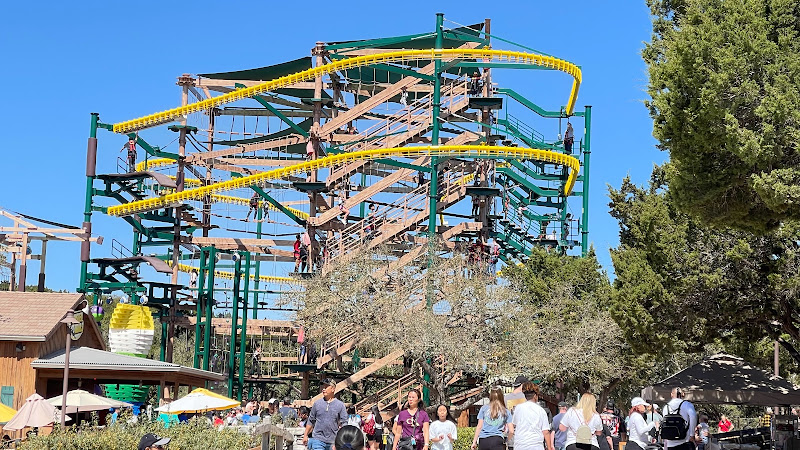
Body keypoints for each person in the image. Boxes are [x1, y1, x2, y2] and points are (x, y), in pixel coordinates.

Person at [304, 378, 348, 450]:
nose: (323, 389)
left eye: (326, 387)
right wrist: (305, 435)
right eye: (323, 387)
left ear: (333, 389)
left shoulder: (340, 405)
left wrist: (342, 440)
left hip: (333, 441)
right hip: (318, 439)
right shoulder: (317, 404)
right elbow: (311, 420)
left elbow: (344, 423)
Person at [509, 382, 553, 450]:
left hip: (520, 445)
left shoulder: (518, 408)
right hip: (535, 445)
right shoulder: (540, 410)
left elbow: (514, 424)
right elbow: (545, 432)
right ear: (535, 396)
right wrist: (549, 447)